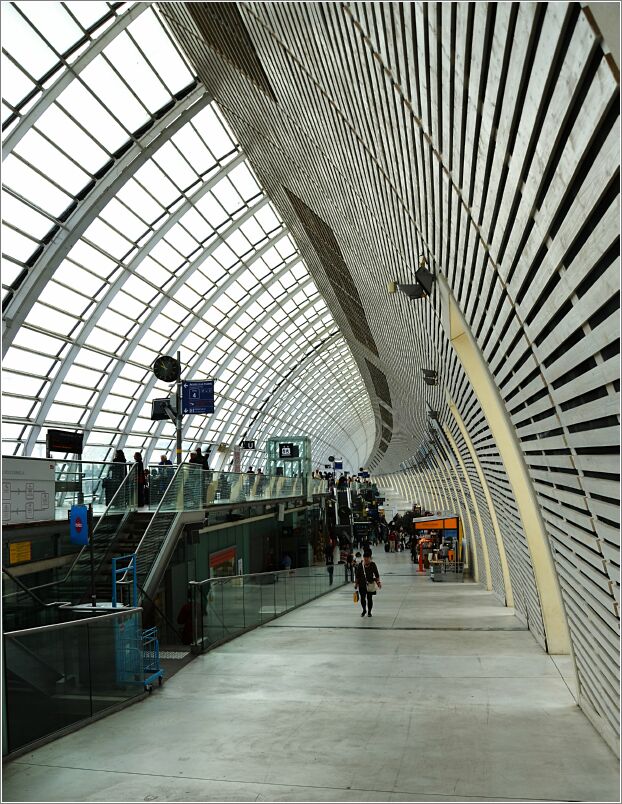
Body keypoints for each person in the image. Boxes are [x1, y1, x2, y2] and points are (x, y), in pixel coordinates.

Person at [354, 549, 381, 617]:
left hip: (370, 584)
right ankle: (364, 610)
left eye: (367, 558)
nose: (366, 560)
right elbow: (357, 575)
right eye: (365, 558)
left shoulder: (373, 565)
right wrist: (356, 584)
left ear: (370, 558)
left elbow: (376, 574)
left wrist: (378, 582)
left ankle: (369, 611)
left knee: (369, 598)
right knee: (362, 598)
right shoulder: (360, 565)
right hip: (362, 585)